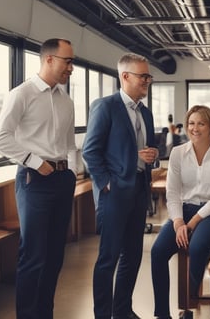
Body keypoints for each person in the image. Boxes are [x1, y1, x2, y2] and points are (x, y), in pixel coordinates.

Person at [0, 38, 78, 319]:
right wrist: (34, 161)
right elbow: (0, 138)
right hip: (34, 180)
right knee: (34, 256)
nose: (71, 68)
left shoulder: (66, 100)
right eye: (68, 61)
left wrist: (72, 174)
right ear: (49, 60)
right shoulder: (22, 93)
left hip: (63, 180)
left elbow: (68, 143)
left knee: (54, 256)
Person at [82, 53, 158, 319]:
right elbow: (90, 152)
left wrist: (151, 155)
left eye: (148, 76)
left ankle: (122, 310)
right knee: (108, 258)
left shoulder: (145, 112)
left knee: (133, 255)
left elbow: (147, 149)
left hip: (139, 189)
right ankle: (103, 314)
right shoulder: (106, 106)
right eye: (143, 76)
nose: (147, 81)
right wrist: (106, 185)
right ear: (125, 77)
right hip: (114, 192)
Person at [151, 105, 210, 319]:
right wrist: (178, 223)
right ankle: (162, 314)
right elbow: (172, 192)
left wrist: (193, 222)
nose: (195, 128)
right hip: (183, 212)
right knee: (158, 252)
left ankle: (197, 303)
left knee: (197, 248)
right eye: (191, 123)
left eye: (201, 123)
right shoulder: (178, 153)